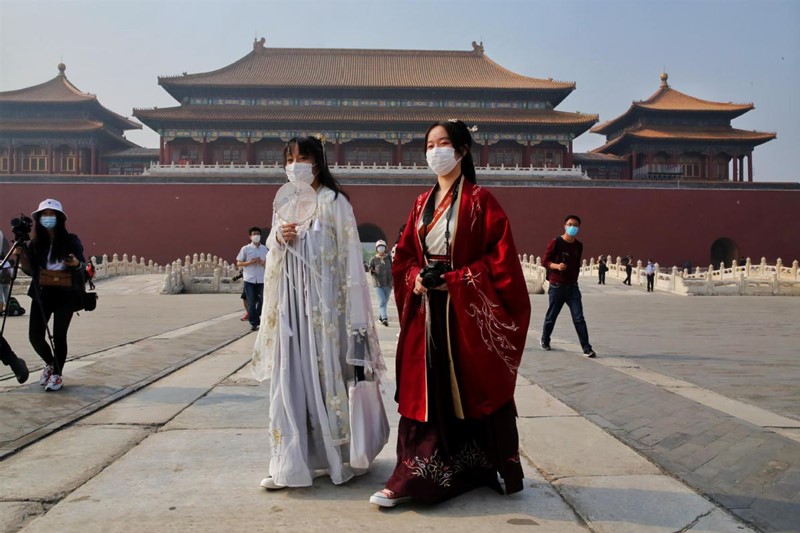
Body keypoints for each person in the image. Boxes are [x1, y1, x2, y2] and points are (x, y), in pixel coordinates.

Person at [371, 120, 531, 508]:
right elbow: (405, 254)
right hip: (427, 311)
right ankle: (412, 476)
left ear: (461, 151)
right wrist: (415, 279)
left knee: (472, 384)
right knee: (423, 387)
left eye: (443, 143)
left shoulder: (481, 201)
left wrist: (458, 280)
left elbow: (501, 261)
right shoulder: (420, 204)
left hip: (465, 315)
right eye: (429, 144)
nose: (435, 150)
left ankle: (475, 466)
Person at [250, 136, 386, 490]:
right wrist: (279, 239)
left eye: (303, 156)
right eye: (289, 157)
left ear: (318, 161)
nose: (295, 163)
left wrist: (355, 315)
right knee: (289, 376)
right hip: (291, 310)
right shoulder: (284, 203)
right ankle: (289, 461)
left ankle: (335, 458)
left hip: (326, 311)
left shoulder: (334, 202)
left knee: (327, 377)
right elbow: (273, 253)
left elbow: (352, 259)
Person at [13, 199, 86, 391]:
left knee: (59, 337)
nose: (47, 218)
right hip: (42, 292)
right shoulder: (36, 244)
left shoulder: (71, 240)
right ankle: (52, 364)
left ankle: (58, 375)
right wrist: (21, 255)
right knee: (35, 336)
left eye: (51, 215)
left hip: (66, 293)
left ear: (60, 218)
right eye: (44, 215)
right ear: (38, 219)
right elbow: (30, 271)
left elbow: (84, 266)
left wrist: (76, 264)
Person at [540, 215, 596, 358]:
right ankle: (545, 340)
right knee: (551, 316)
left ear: (578, 228)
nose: (572, 227)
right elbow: (545, 261)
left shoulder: (579, 245)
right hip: (557, 286)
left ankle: (586, 348)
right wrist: (557, 266)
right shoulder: (556, 242)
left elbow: (576, 265)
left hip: (572, 287)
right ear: (564, 226)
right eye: (570, 224)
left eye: (575, 225)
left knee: (579, 318)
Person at [236, 227, 267, 331]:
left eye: (258, 234)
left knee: (263, 300)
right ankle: (254, 323)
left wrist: (262, 263)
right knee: (251, 302)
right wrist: (250, 262)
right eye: (254, 234)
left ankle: (255, 315)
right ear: (250, 236)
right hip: (249, 279)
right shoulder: (245, 249)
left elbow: (270, 264)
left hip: (262, 279)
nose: (256, 236)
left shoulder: (265, 249)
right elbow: (239, 263)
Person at [368, 239, 392, 326]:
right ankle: (384, 318)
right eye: (379, 247)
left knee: (385, 302)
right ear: (376, 248)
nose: (381, 248)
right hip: (378, 284)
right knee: (382, 301)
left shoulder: (389, 258)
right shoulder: (373, 259)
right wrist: (372, 271)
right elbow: (370, 269)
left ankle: (380, 317)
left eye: (382, 246)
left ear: (385, 248)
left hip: (388, 283)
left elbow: (394, 268)